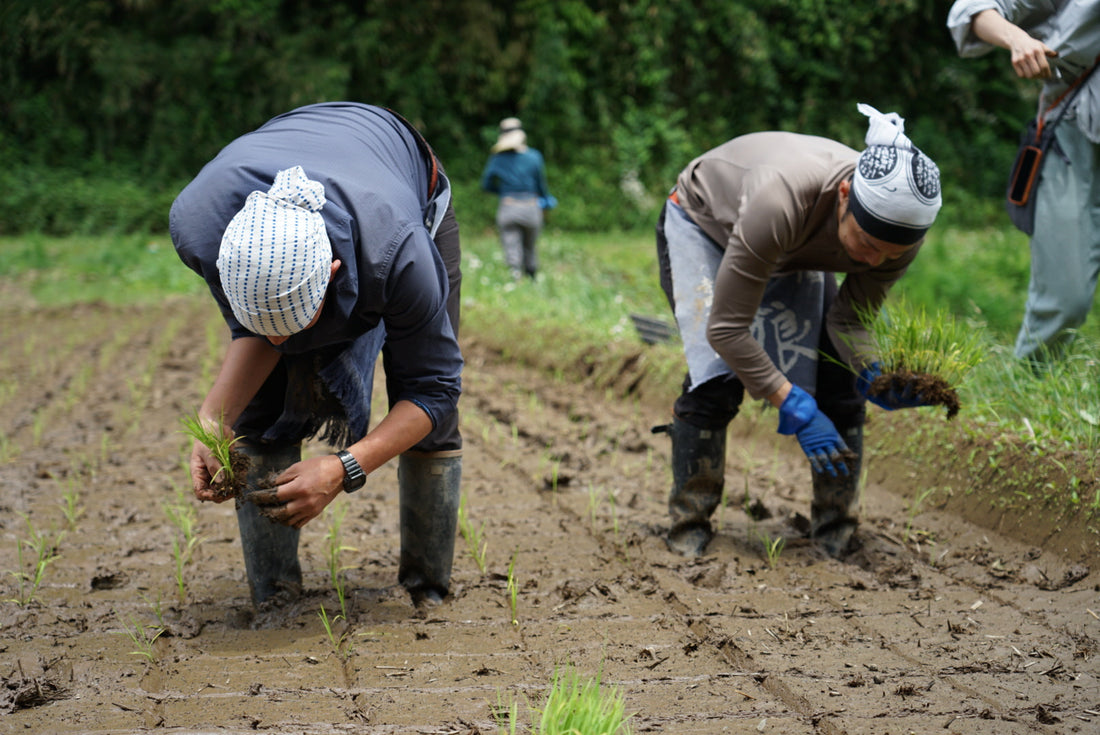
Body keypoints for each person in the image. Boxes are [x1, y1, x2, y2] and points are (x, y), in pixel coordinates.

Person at [171, 102, 464, 610]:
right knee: (262, 406)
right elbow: (256, 334)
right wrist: (214, 419)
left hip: (402, 176)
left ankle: (427, 587)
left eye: (293, 325)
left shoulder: (401, 255)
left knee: (428, 414)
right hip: (300, 157)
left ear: (331, 274)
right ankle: (274, 598)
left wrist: (346, 467)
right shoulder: (202, 228)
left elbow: (434, 389)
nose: (278, 347)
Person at [654, 104, 943, 559]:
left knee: (838, 381)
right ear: (844, 195)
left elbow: (850, 321)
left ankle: (836, 533)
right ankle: (688, 527)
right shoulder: (780, 201)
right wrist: (792, 403)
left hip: (790, 247)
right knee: (717, 380)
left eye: (889, 256)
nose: (873, 262)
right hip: (707, 225)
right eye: (867, 244)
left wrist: (873, 374)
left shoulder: (897, 238)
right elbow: (727, 330)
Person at [949, 2, 1100, 363]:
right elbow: (972, 10)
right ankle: (1028, 381)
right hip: (1074, 131)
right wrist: (1017, 39)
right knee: (1066, 298)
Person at [480, 117, 556, 280]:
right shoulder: (534, 157)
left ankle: (515, 275)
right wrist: (546, 201)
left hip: (508, 206)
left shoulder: (497, 158)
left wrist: (503, 192)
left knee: (510, 243)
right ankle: (532, 276)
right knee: (530, 246)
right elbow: (541, 185)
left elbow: (486, 184)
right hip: (531, 206)